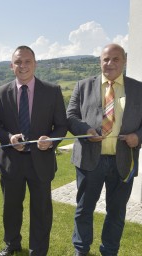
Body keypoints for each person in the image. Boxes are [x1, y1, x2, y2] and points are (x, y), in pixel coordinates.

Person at [0, 45, 68, 256]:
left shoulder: (52, 91)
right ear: (11, 66)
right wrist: (8, 138)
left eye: (27, 61)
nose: (22, 66)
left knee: (41, 210)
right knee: (11, 208)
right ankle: (12, 244)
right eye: (18, 62)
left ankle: (38, 250)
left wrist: (51, 140)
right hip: (11, 162)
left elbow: (61, 125)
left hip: (40, 160)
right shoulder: (0, 93)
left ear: (35, 64)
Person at [67, 43, 142, 256]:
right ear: (100, 61)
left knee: (116, 212)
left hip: (123, 161)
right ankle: (81, 250)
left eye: (115, 59)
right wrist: (86, 130)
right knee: (84, 209)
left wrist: (138, 137)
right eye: (106, 59)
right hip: (90, 161)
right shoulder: (83, 86)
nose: (110, 63)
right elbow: (70, 116)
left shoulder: (138, 89)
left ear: (124, 60)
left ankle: (109, 251)